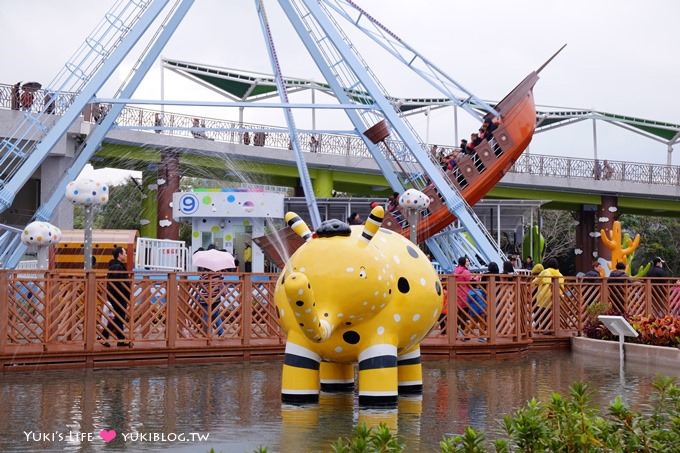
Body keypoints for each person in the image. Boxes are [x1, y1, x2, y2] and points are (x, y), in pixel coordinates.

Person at [102, 247, 131, 347]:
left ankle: (118, 339)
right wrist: (126, 294)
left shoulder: (115, 266)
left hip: (117, 296)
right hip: (118, 296)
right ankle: (113, 338)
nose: (126, 255)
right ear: (119, 254)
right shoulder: (117, 267)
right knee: (119, 318)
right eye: (124, 253)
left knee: (118, 318)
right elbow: (119, 283)